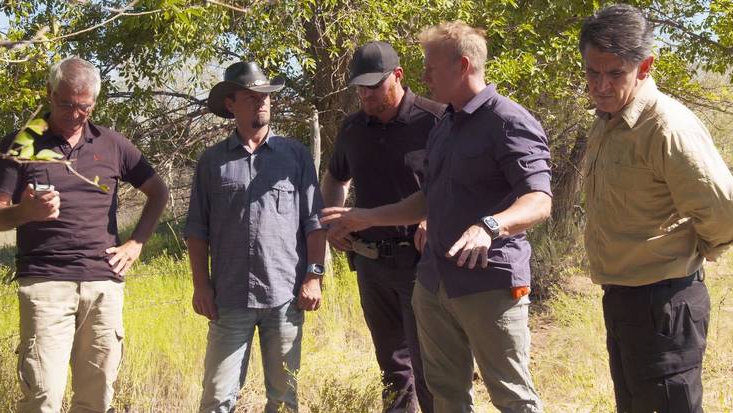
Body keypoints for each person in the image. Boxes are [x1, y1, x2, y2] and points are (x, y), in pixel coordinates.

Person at [323, 21, 549, 413]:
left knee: (511, 396)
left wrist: (490, 225)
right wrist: (365, 217)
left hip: (488, 280)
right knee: (444, 392)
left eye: (432, 67)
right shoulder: (447, 125)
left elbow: (539, 199)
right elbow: (427, 199)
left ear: (462, 66)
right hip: (433, 281)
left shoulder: (507, 120)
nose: (424, 75)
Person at [579, 5, 733, 412]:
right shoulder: (607, 119)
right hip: (623, 300)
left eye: (615, 73)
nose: (601, 85)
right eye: (592, 72)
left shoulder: (666, 126)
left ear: (645, 66)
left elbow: (727, 217)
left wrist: (683, 256)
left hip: (664, 307)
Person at [0, 57, 169, 412]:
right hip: (45, 284)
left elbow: (159, 192)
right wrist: (25, 212)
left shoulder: (112, 144)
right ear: (50, 95)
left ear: (94, 104)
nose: (74, 113)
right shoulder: (22, 142)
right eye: (66, 103)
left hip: (103, 284)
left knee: (97, 398)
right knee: (43, 398)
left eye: (83, 106)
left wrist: (136, 243)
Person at [184, 61, 327, 413]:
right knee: (217, 398)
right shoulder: (212, 162)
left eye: (266, 96)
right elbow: (196, 230)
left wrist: (314, 276)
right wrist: (201, 285)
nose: (262, 103)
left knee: (283, 400)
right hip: (229, 299)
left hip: (285, 297)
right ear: (231, 104)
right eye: (251, 97)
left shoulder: (295, 156)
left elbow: (315, 221)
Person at [321, 40, 444, 413]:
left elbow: (459, 186)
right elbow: (335, 177)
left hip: (421, 263)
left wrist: (431, 218)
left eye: (375, 86)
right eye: (360, 87)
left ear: (399, 76)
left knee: (431, 367)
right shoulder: (353, 128)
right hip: (371, 264)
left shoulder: (436, 120)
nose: (366, 95)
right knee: (392, 366)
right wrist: (335, 221)